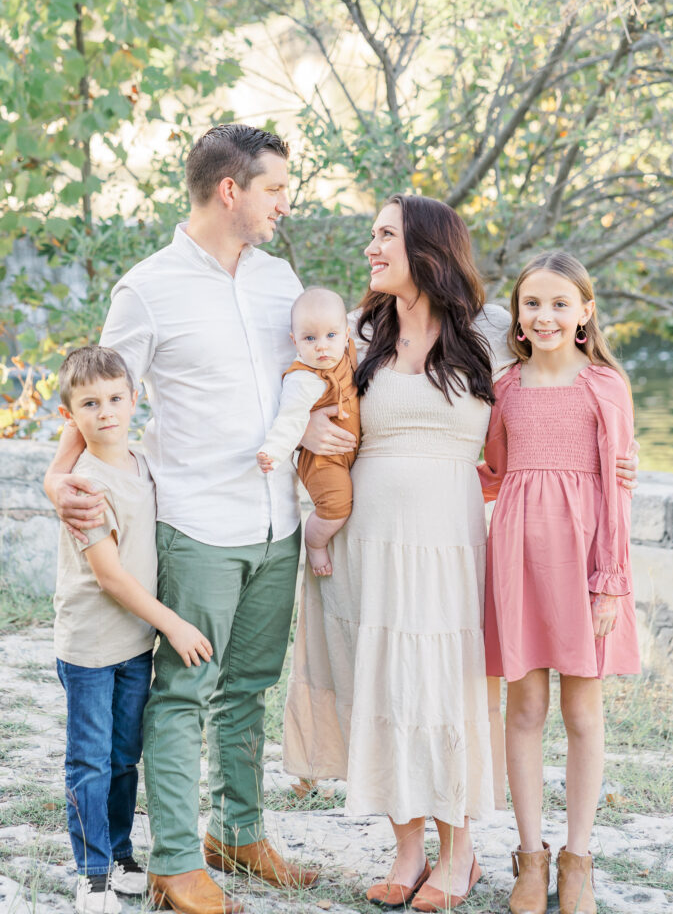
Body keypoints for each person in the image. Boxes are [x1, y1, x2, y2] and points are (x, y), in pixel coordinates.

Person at [44, 124, 322, 914]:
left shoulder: (279, 279)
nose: (284, 202)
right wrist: (58, 475)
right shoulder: (146, 286)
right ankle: (171, 859)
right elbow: (98, 393)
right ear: (230, 191)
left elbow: (302, 376)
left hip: (277, 523)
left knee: (250, 689)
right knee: (186, 692)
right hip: (196, 524)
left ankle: (238, 832)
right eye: (274, 188)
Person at [283, 194, 513, 913]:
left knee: (444, 685)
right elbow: (302, 404)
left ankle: (459, 852)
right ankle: (406, 847)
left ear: (427, 247)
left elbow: (564, 380)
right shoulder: (354, 334)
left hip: (448, 540)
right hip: (364, 538)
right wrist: (309, 430)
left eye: (384, 235)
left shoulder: (491, 333)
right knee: (378, 683)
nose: (370, 248)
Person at [478, 252, 640, 914]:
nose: (544, 315)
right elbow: (490, 472)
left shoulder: (604, 386)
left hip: (585, 565)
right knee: (522, 710)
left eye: (558, 304)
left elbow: (616, 492)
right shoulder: (504, 388)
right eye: (532, 304)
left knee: (580, 711)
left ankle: (576, 858)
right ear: (516, 314)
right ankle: (529, 855)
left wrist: (609, 581)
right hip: (516, 558)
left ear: (584, 312)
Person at [54, 346, 212, 914]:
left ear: (135, 399)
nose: (106, 412)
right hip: (91, 645)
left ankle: (119, 855)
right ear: (70, 417)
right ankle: (91, 872)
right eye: (90, 404)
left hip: (132, 645)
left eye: (116, 398)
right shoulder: (85, 487)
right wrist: (174, 625)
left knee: (123, 755)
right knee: (90, 758)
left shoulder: (141, 463)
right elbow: (112, 577)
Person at [257, 286, 361, 577]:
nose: (322, 347)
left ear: (346, 333)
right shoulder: (303, 378)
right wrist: (273, 453)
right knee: (336, 507)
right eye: (309, 338)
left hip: (348, 452)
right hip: (321, 459)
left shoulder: (348, 354)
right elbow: (289, 420)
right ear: (295, 341)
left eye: (331, 335)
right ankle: (315, 544)